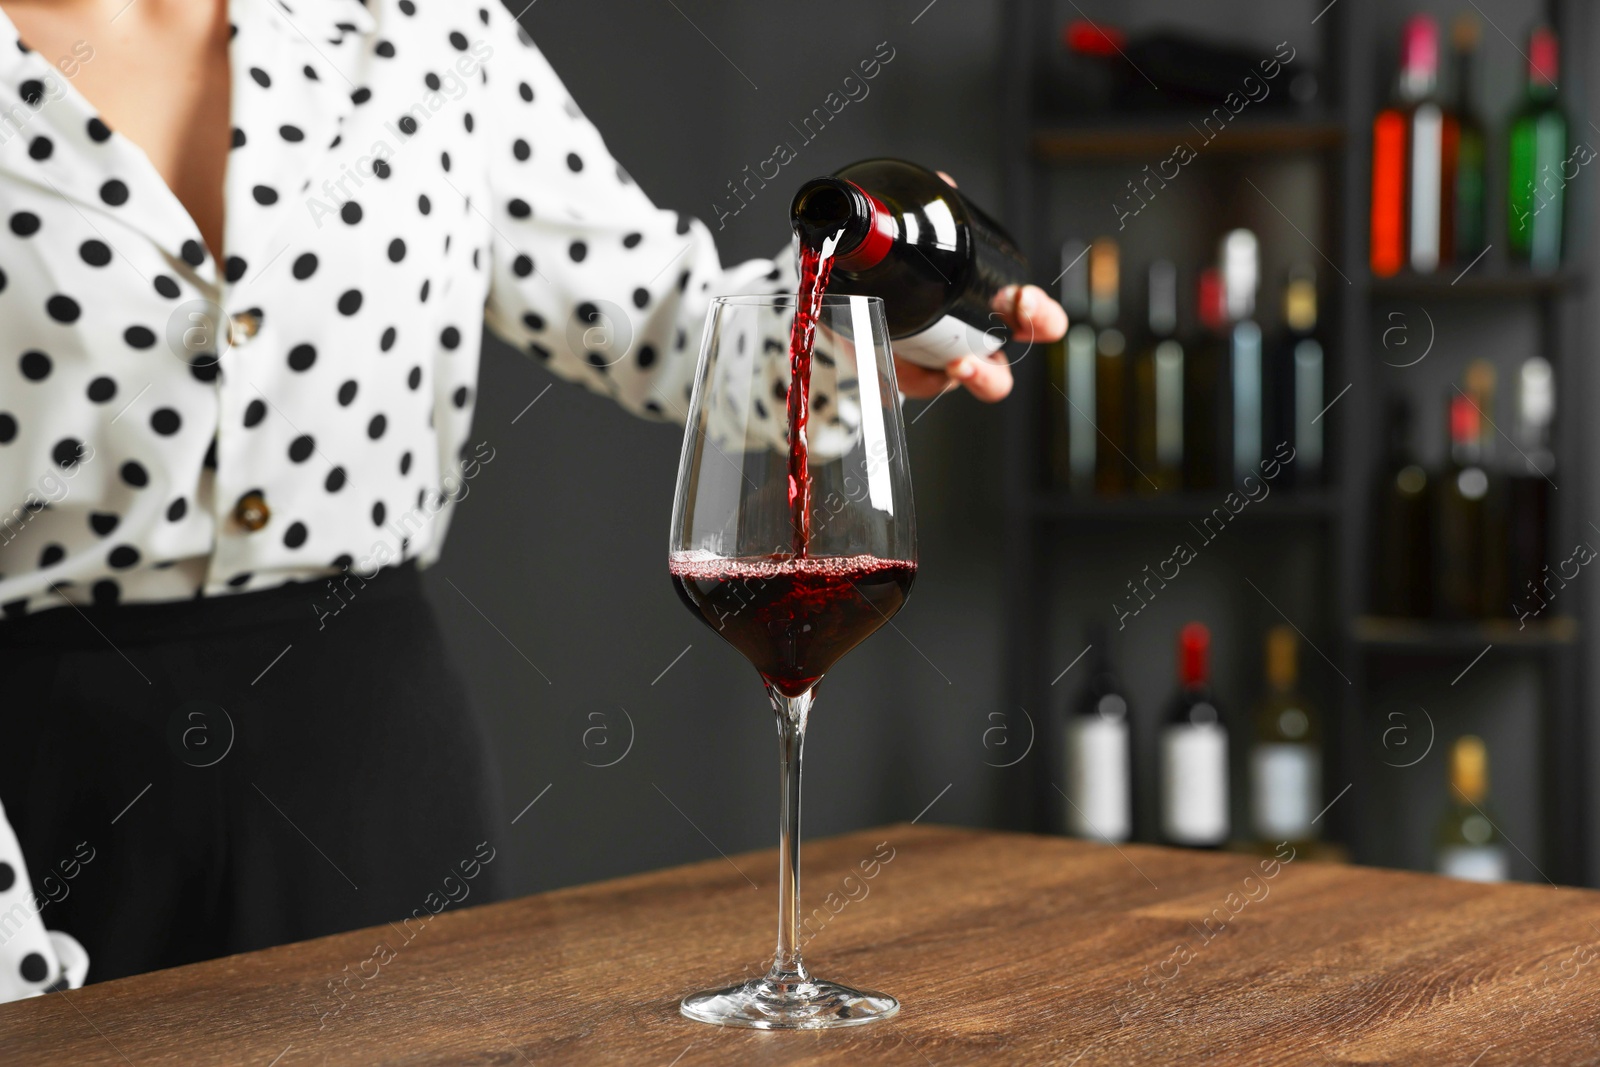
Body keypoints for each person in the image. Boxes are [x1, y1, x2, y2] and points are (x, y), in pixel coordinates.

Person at [0, 0, 1067, 995]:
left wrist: (858, 329)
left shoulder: (422, 26)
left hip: (366, 757)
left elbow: (663, 318)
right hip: (41, 776)